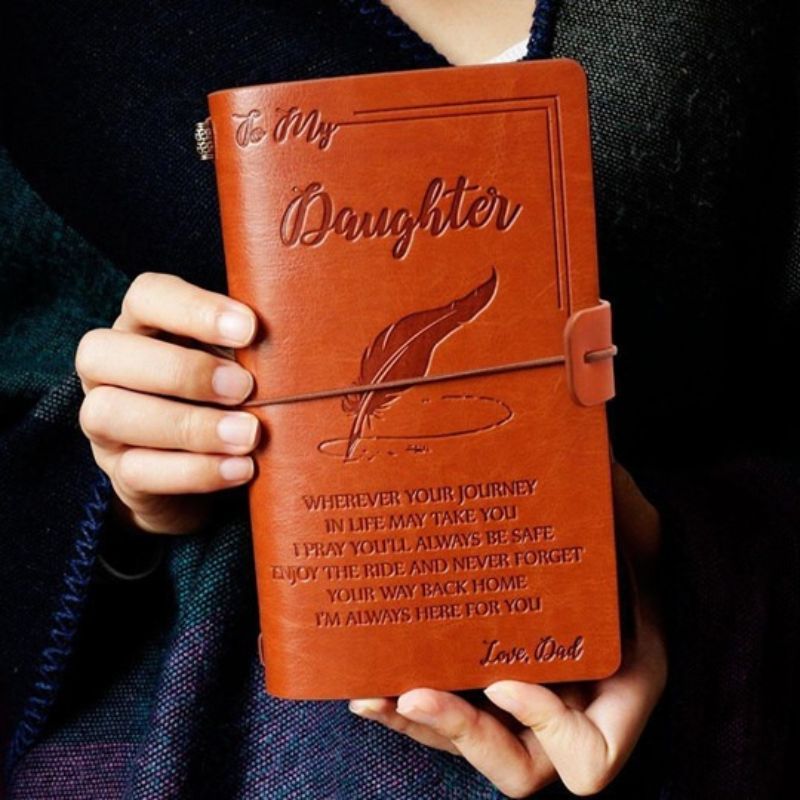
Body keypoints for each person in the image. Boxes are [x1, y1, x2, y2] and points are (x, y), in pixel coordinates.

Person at [0, 1, 797, 797]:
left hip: (709, 682)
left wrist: (686, 568)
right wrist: (132, 482)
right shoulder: (53, 35)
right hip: (222, 712)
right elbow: (28, 343)